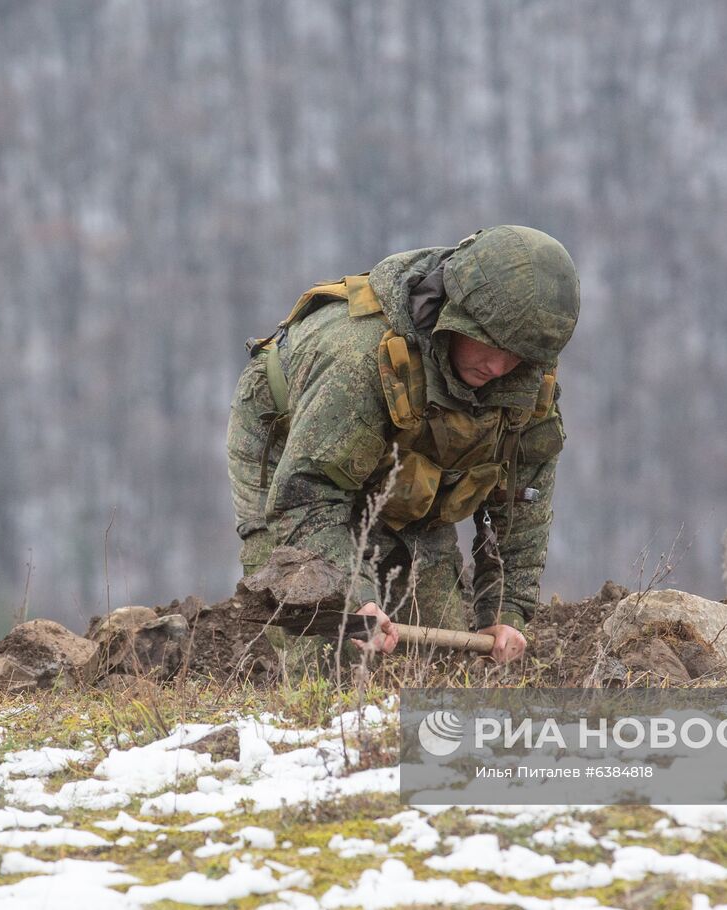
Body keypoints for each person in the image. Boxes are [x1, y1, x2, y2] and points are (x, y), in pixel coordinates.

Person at [226, 225, 578, 666]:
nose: (498, 365)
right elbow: (305, 496)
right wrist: (356, 598)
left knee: (444, 664)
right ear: (458, 316)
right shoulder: (358, 356)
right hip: (293, 449)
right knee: (328, 646)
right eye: (489, 343)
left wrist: (504, 612)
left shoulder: (525, 382)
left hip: (404, 465)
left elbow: (522, 503)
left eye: (516, 355)